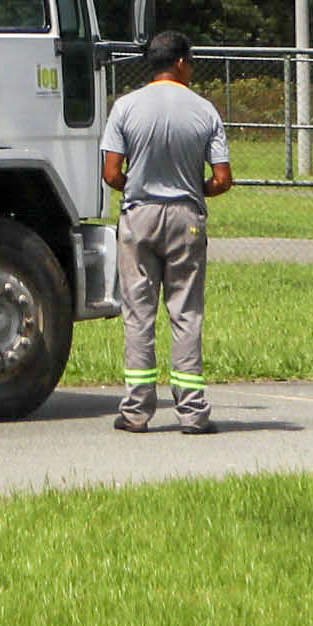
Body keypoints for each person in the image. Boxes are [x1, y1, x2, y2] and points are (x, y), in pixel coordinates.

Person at [98, 27, 233, 435]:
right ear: (179, 62)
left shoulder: (125, 107)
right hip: (186, 218)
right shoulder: (204, 110)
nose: (191, 69)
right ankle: (192, 413)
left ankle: (137, 411)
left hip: (138, 217)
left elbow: (111, 173)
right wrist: (196, 189)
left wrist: (139, 187)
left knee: (139, 314)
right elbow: (223, 178)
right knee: (185, 313)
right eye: (190, 62)